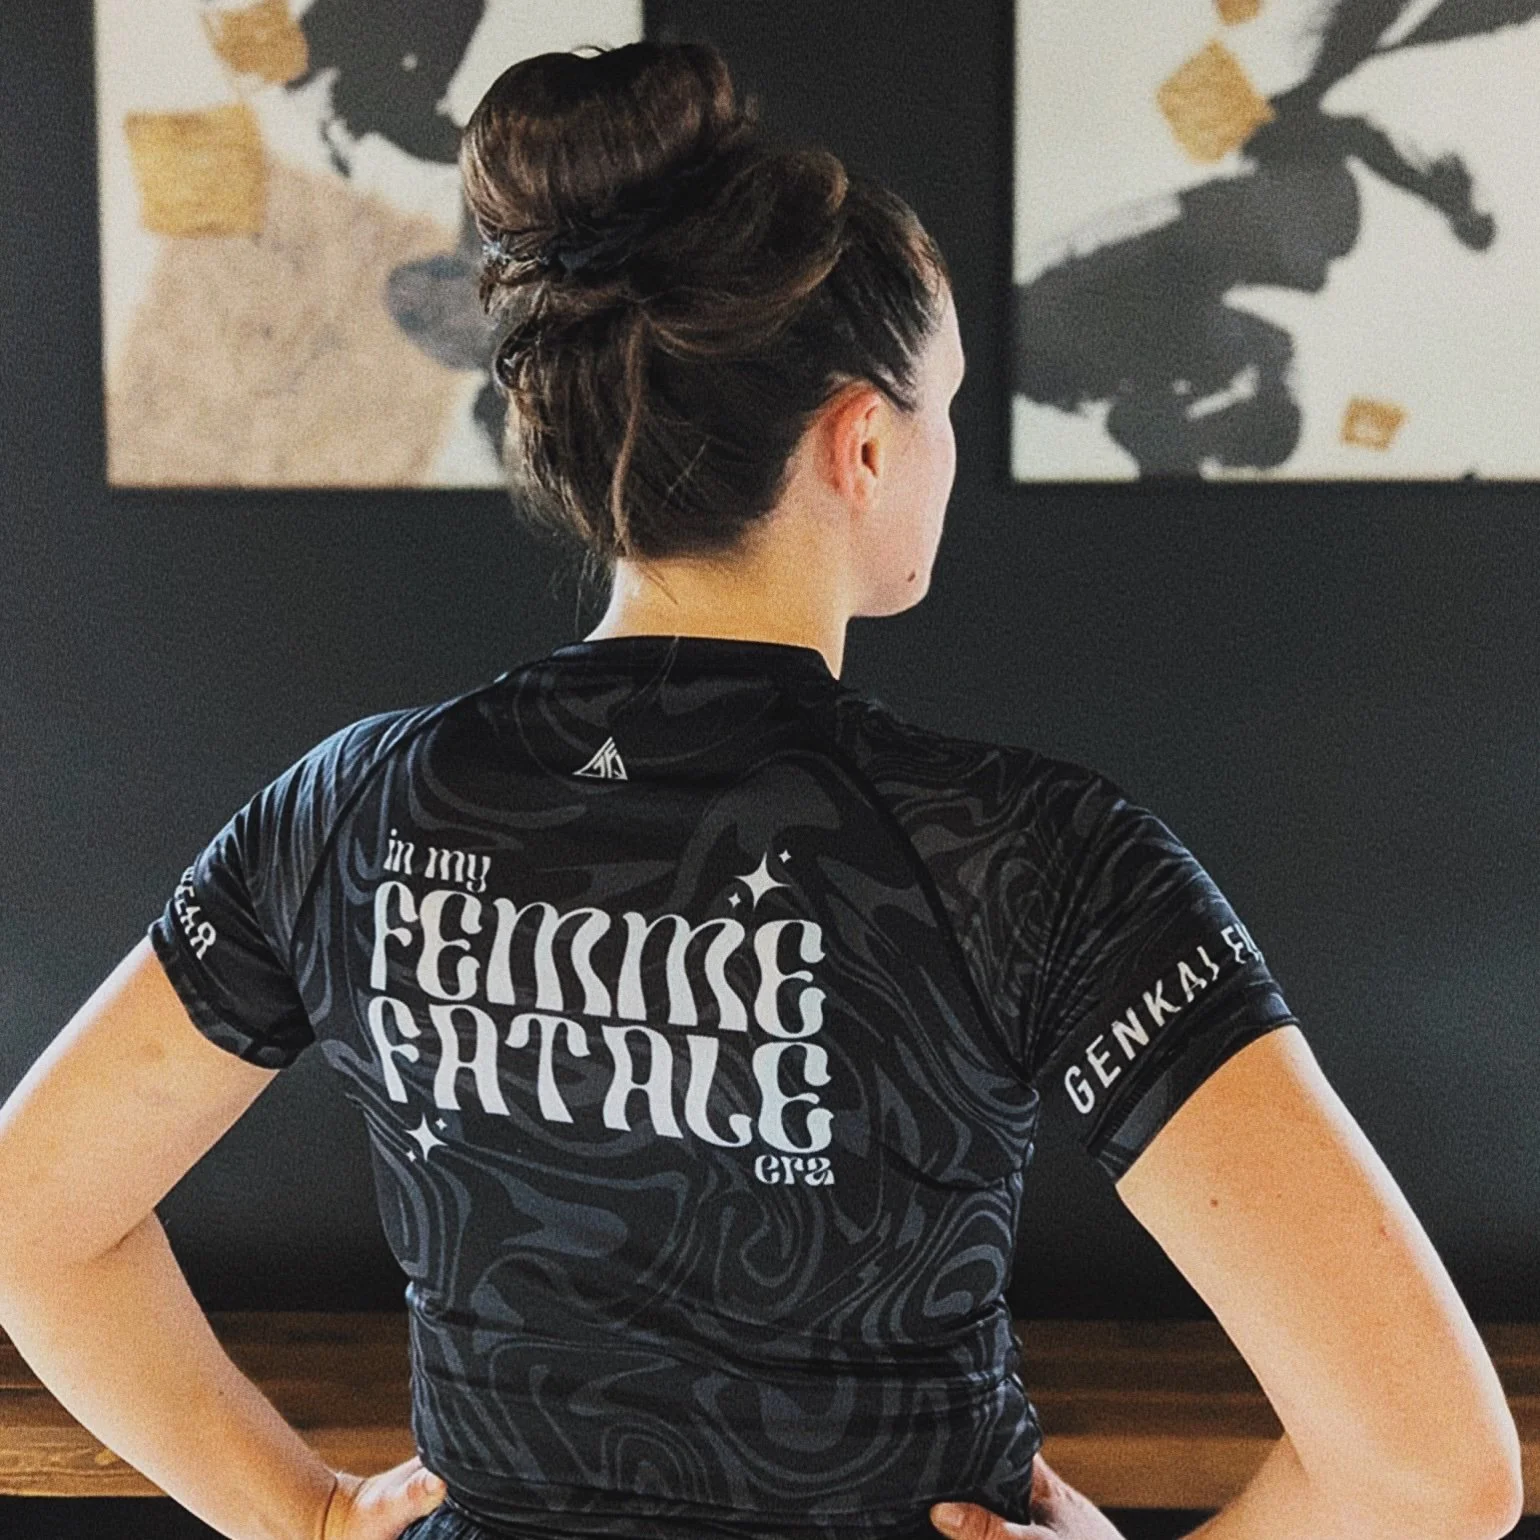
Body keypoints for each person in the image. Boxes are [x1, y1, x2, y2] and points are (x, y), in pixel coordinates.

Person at [0, 37, 1521, 1540]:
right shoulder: (1031, 853)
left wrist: (310, 1518)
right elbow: (1431, 1474)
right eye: (940, 409)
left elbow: (28, 1226)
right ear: (861, 441)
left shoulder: (351, 808)